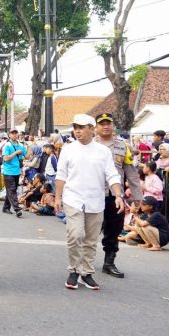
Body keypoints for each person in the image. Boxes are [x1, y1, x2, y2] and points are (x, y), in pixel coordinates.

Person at [55, 114, 123, 291]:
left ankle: (86, 273)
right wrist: (57, 197)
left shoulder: (103, 151)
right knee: (76, 234)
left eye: (82, 127)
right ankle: (74, 270)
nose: (78, 131)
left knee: (91, 240)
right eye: (75, 127)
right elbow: (61, 175)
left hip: (95, 200)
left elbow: (112, 174)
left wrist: (118, 195)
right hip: (73, 198)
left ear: (92, 129)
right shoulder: (68, 149)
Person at [94, 113, 142, 279]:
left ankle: (109, 262)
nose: (106, 126)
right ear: (96, 127)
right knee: (90, 230)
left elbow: (131, 173)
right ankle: (85, 261)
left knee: (113, 230)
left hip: (116, 197)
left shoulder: (123, 146)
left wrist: (137, 197)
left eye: (109, 123)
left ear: (113, 126)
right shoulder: (90, 145)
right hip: (94, 194)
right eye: (102, 124)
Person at [1, 129, 27, 217]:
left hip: (17, 171)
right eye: (13, 133)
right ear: (9, 135)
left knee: (11, 190)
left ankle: (6, 207)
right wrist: (16, 152)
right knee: (12, 190)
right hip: (8, 171)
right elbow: (5, 158)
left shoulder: (21, 145)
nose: (15, 135)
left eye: (16, 133)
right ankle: (17, 209)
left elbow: (27, 156)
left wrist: (29, 148)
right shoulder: (7, 145)